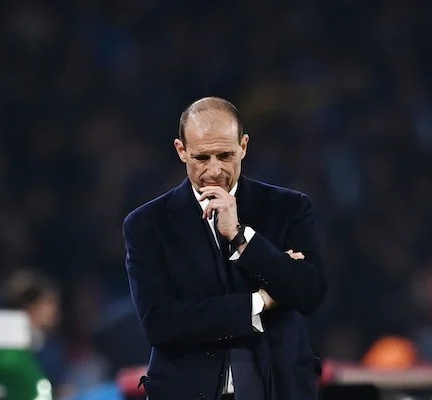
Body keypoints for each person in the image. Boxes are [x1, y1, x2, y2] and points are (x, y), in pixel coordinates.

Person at [122, 97, 326, 400]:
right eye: (202, 157)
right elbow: (160, 323)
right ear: (181, 150)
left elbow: (309, 293)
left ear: (243, 146)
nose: (215, 170)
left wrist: (241, 237)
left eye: (225, 155)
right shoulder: (147, 224)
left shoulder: (288, 208)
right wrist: (259, 301)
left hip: (280, 389)